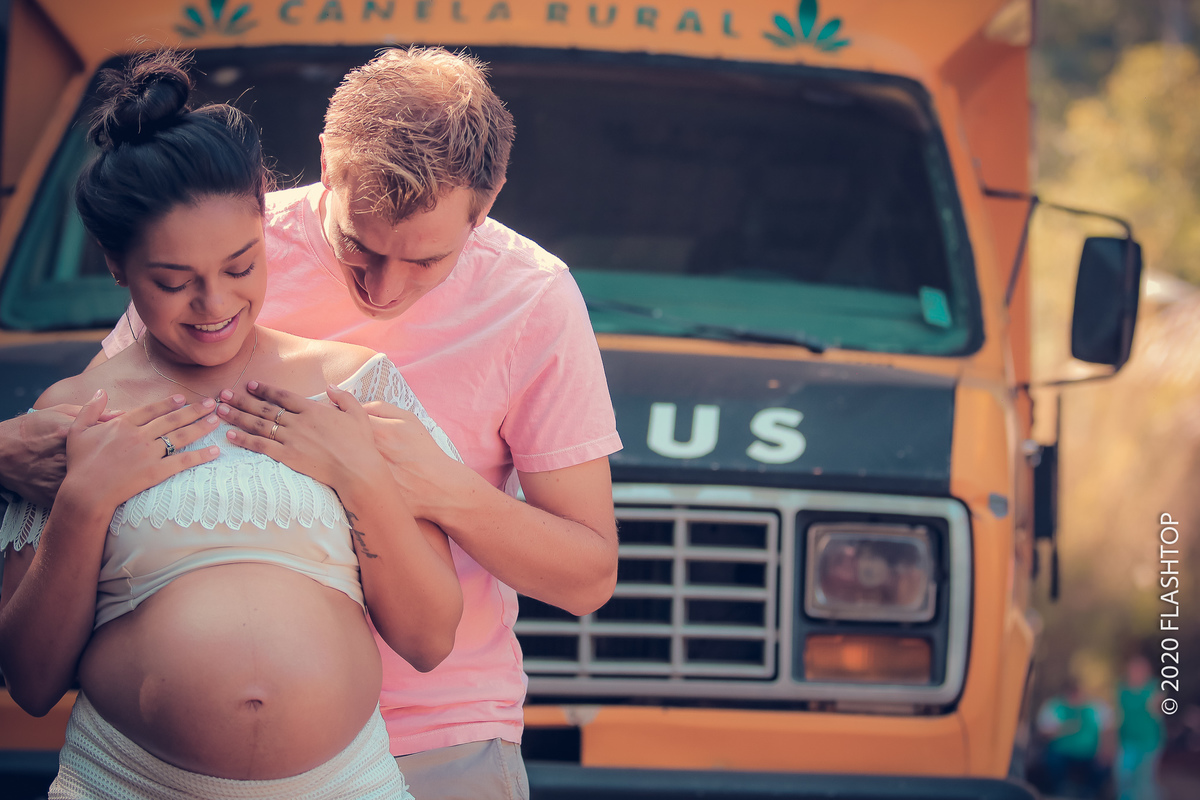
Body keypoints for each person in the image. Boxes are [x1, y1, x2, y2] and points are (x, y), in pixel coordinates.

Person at [0, 46, 623, 799]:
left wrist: (433, 485)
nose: (384, 293)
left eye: (426, 261)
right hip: (148, 764)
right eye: (359, 246)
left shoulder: (533, 299)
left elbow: (588, 576)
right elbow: (99, 428)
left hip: (441, 729)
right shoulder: (222, 240)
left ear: (484, 207)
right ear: (329, 164)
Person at [1035, 676, 1114, 798]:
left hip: (1090, 755)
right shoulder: (1054, 706)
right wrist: (1064, 729)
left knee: (1102, 768)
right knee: (1052, 761)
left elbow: (1108, 731)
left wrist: (1105, 752)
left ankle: (1089, 793)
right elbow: (1043, 732)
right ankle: (1061, 791)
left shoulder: (1097, 707)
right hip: (1062, 754)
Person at [1115, 654, 1164, 800]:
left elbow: (1160, 711)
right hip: (1127, 740)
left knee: (1144, 780)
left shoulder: (1154, 688)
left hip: (1149, 741)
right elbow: (1117, 714)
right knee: (1124, 777)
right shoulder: (1122, 689)